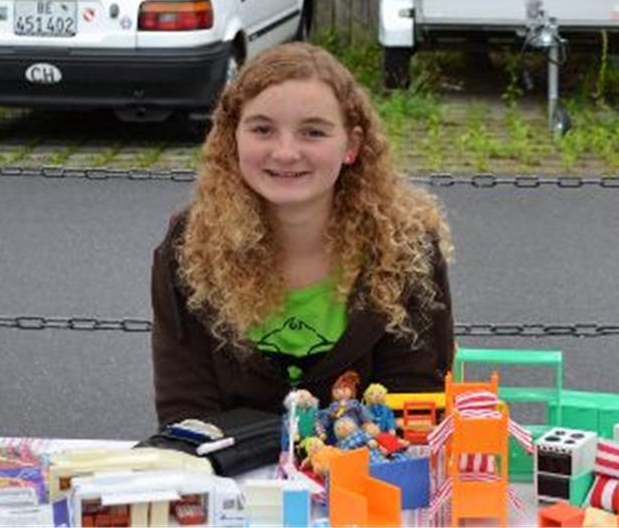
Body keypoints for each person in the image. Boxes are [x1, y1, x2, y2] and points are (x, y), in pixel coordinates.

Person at [150, 42, 455, 427]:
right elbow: (186, 413)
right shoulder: (189, 246)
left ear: (352, 145)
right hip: (231, 479)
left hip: (367, 479)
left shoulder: (407, 247)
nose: (286, 152)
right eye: (263, 129)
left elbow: (416, 411)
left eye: (312, 132)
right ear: (233, 138)